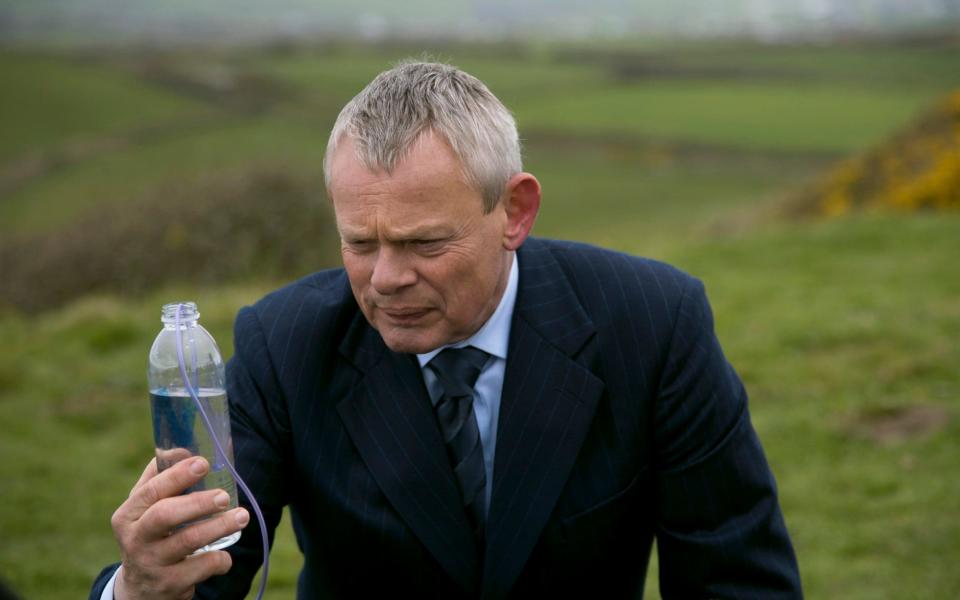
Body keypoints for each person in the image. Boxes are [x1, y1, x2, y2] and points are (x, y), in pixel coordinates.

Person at [91, 60, 802, 599]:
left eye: (425, 244)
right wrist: (136, 585)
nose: (385, 279)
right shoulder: (284, 345)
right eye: (360, 245)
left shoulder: (653, 322)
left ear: (515, 211)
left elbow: (738, 580)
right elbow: (205, 571)